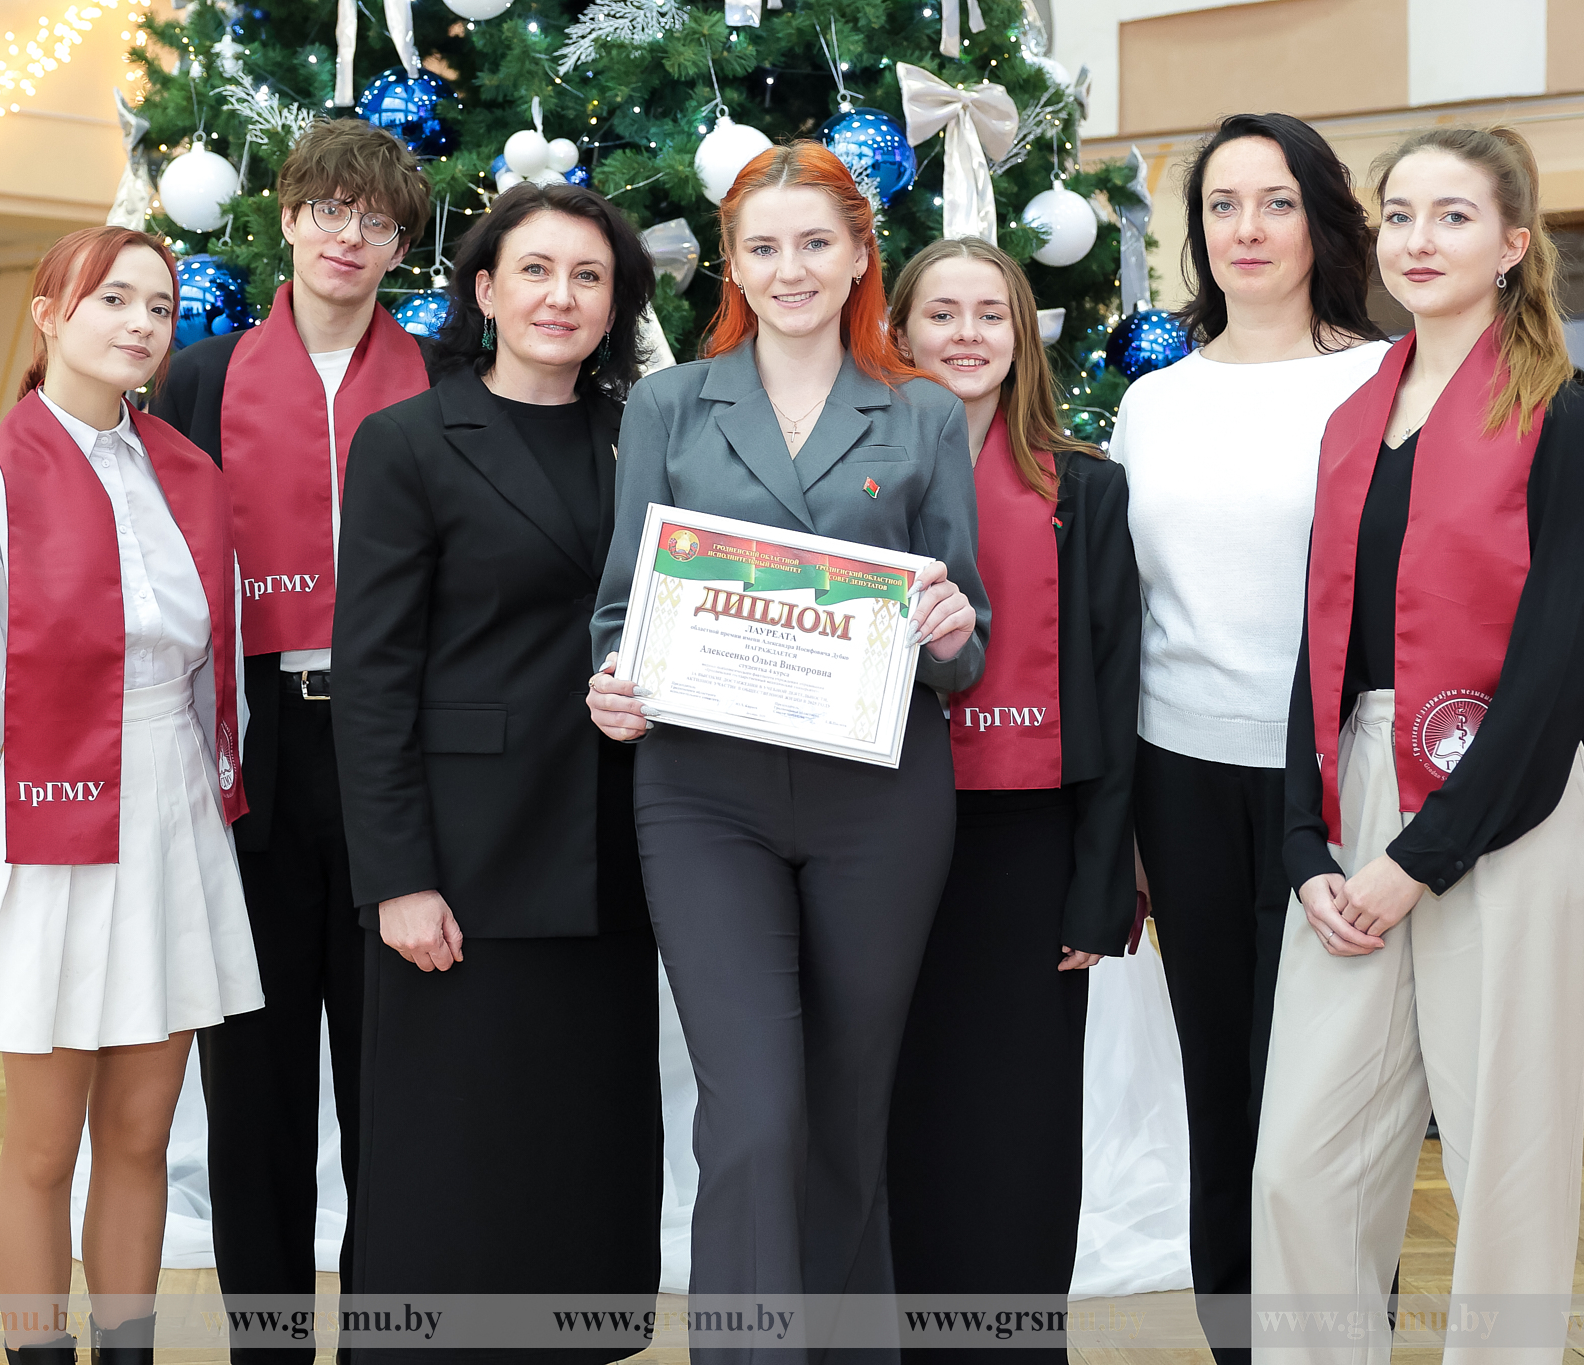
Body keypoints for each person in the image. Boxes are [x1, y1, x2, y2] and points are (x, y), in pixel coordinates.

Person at [586, 141, 984, 1364]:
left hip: (882, 801)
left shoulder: (922, 413)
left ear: (860, 254)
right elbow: (621, 612)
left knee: (846, 1113)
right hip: (704, 800)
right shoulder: (667, 406)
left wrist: (949, 630)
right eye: (762, 247)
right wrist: (614, 686)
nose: (789, 268)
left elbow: (962, 643)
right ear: (731, 262)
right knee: (754, 1116)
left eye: (815, 242)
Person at [1255, 126, 1584, 1365]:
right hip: (1355, 786)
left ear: (1511, 244)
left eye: (1452, 216)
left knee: (1503, 1162)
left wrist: (1421, 857)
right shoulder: (1351, 418)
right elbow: (1316, 636)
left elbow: (1553, 670)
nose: (1418, 239)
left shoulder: (1559, 417)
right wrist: (1303, 838)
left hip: (1504, 805)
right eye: (1399, 214)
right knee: (1300, 1163)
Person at [0, 226, 261, 1365]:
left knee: (143, 1136)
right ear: (51, 312)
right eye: (113, 299)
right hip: (51, 822)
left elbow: (215, 664)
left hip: (171, 816)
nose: (142, 323)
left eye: (160, 305)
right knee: (47, 1144)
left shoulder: (186, 478)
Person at [330, 182, 662, 1360]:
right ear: (483, 290)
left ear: (614, 303)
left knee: (584, 1156)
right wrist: (396, 878)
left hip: (618, 858)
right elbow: (372, 679)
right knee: (450, 1164)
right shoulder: (408, 440)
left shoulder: (648, 434)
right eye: (534, 270)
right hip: (464, 866)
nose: (560, 296)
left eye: (588, 276)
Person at [1105, 112, 1387, 1363]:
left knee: (1329, 1105)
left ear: (1319, 219)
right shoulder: (1153, 402)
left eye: (1274, 202)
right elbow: (1124, 613)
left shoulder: (1382, 381)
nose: (1246, 229)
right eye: (1221, 205)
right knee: (1221, 1094)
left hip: (1336, 776)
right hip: (1179, 776)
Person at [148, 119, 433, 1320]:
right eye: (328, 210)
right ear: (286, 217)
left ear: (399, 248)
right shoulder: (203, 376)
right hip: (253, 746)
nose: (347, 237)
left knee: (391, 1084)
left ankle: (382, 1338)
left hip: (396, 748)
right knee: (254, 1084)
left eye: (375, 221)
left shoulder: (442, 377)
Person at [882, 237, 1138, 1365]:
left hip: (1028, 844)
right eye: (941, 314)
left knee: (1018, 1124)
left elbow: (1118, 684)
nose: (967, 335)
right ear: (897, 333)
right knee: (896, 1110)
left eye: (991, 313)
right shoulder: (853, 480)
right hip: (876, 838)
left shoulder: (1086, 489)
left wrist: (1101, 886)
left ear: (1022, 335)